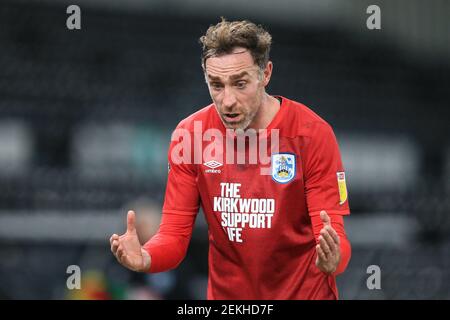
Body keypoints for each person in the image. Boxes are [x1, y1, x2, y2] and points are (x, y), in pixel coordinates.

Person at [110, 18, 351, 299]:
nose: (227, 100)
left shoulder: (312, 135)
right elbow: (174, 236)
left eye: (240, 83)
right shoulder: (190, 136)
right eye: (216, 84)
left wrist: (334, 261)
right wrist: (146, 258)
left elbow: (336, 238)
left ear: (266, 74)